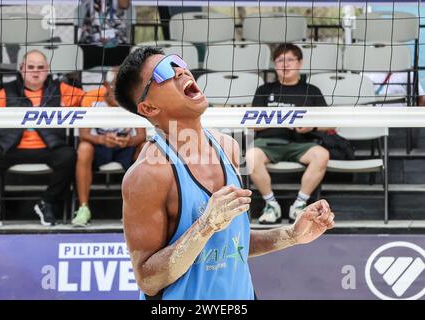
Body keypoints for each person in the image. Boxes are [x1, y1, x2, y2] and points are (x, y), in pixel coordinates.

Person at [114, 47, 335, 299]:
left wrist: (291, 235)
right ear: (149, 108)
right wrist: (205, 226)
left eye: (176, 62)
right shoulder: (147, 174)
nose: (180, 70)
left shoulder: (227, 146)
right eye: (164, 72)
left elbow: (232, 242)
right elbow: (148, 281)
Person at [0, 50, 85, 228]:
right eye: (31, 67)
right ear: (21, 69)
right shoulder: (6, 91)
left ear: (47, 69)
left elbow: (91, 98)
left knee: (69, 155)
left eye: (40, 67)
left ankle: (47, 203)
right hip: (11, 147)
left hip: (48, 147)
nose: (35, 72)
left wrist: (110, 88)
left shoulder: (61, 89)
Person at [246, 43, 330, 225]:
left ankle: (299, 204)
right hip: (269, 143)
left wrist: (311, 127)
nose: (285, 64)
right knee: (251, 156)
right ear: (275, 65)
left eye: (290, 59)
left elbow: (330, 124)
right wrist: (277, 119)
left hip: (301, 143)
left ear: (300, 63)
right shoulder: (264, 90)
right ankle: (271, 205)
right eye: (279, 60)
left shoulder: (312, 91)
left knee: (322, 155)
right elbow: (251, 124)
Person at [72, 66, 146, 226]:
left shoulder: (132, 99)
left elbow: (141, 135)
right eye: (116, 85)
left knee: (144, 147)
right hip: (100, 145)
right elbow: (83, 134)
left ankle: (137, 211)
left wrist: (128, 141)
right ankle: (83, 208)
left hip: (124, 145)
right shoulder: (91, 99)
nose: (120, 90)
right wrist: (102, 140)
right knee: (84, 148)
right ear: (106, 85)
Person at [78, 0, 132, 69]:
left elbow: (124, 5)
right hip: (90, 42)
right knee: (79, 57)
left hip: (117, 43)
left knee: (124, 62)